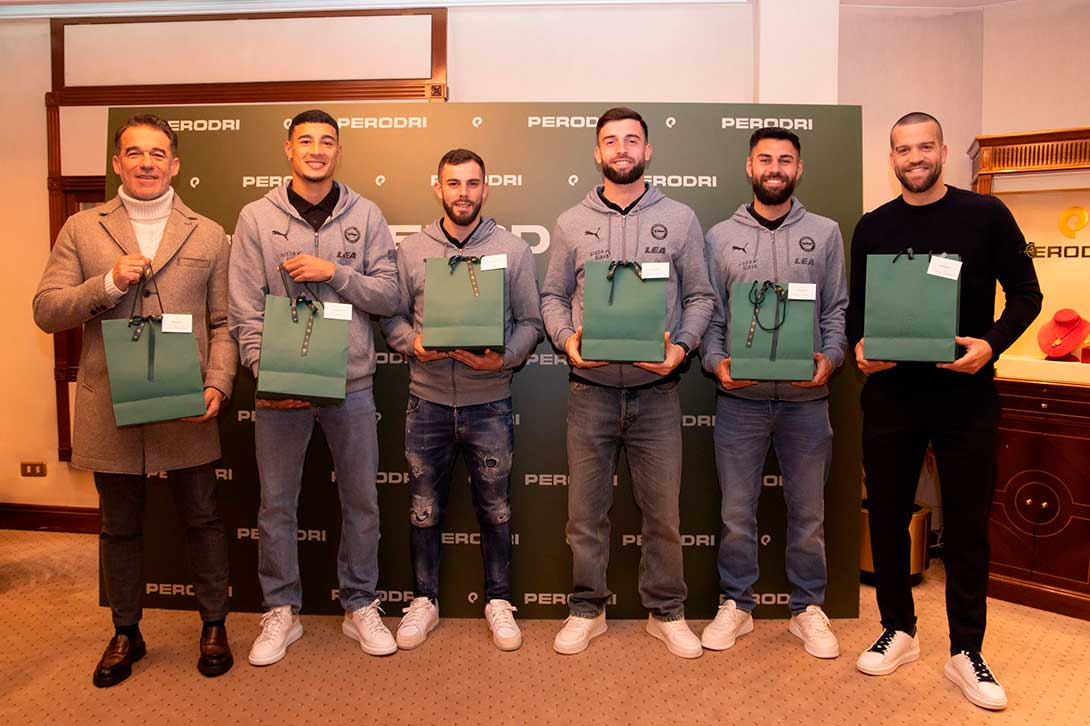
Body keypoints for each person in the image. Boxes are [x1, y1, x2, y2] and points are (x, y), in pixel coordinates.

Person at [33, 114, 237, 687]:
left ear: (175, 164)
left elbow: (223, 322)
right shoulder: (81, 229)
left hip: (185, 401)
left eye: (158, 154)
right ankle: (126, 630)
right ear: (117, 163)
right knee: (118, 526)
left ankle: (214, 624)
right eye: (134, 153)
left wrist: (218, 383)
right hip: (111, 404)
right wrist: (108, 285)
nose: (146, 162)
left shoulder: (209, 232)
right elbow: (47, 310)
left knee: (202, 518)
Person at [847, 111, 1042, 710]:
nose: (914, 157)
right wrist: (859, 348)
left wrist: (990, 344)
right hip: (890, 397)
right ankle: (899, 630)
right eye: (903, 149)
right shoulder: (873, 226)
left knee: (965, 526)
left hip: (965, 395)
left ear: (942, 151)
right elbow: (857, 312)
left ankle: (966, 650)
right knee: (884, 515)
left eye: (924, 146)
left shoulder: (985, 215)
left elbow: (1027, 295)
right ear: (892, 158)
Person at [540, 106, 716, 658]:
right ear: (597, 152)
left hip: (657, 393)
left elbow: (701, 297)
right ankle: (587, 609)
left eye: (632, 140)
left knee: (663, 515)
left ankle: (665, 611)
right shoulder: (571, 221)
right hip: (589, 392)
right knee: (584, 514)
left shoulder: (682, 219)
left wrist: (682, 348)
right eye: (611, 141)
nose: (621, 149)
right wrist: (567, 338)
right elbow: (550, 296)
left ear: (648, 151)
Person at [228, 109, 400, 665]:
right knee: (277, 503)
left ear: (339, 152)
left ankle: (359, 605)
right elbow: (243, 307)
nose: (317, 150)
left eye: (327, 142)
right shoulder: (256, 217)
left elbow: (389, 296)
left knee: (362, 501)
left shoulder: (367, 214)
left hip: (350, 382)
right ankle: (281, 609)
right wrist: (264, 369)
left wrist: (334, 274)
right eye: (307, 141)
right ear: (289, 149)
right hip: (281, 385)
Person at [380, 148, 544, 652]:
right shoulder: (410, 251)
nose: (463, 193)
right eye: (454, 183)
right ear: (438, 188)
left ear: (485, 188)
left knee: (495, 509)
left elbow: (533, 324)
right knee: (424, 508)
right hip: (425, 402)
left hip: (489, 402)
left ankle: (498, 600)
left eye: (473, 184)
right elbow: (391, 318)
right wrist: (414, 344)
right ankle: (424, 600)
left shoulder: (513, 251)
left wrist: (505, 358)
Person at [701, 127, 848, 659]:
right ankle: (737, 604)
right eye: (765, 159)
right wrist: (717, 364)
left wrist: (830, 359)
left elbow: (836, 311)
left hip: (806, 403)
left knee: (808, 513)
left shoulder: (826, 233)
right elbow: (711, 314)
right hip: (739, 401)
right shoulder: (719, 236)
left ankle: (807, 608)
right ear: (749, 166)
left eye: (786, 160)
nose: (775, 168)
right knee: (737, 512)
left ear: (799, 169)